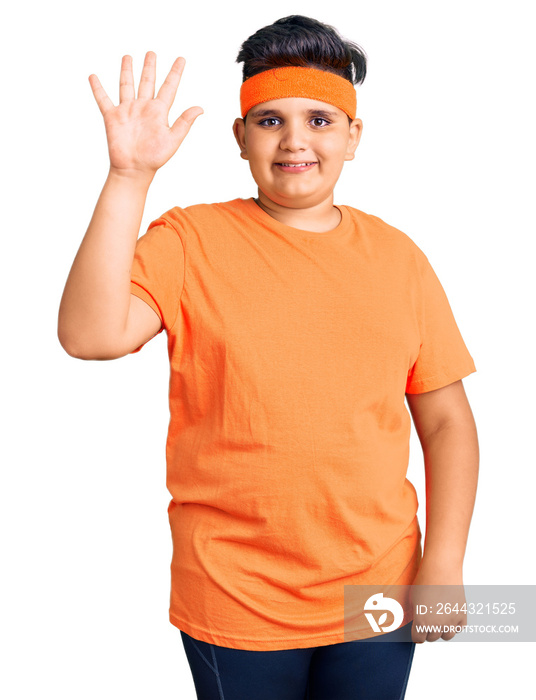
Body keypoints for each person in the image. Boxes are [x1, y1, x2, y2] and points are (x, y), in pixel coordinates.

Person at [58, 15, 479, 700]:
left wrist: (446, 562)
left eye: (319, 120)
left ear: (353, 137)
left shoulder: (400, 260)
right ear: (239, 136)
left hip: (376, 585)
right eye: (268, 120)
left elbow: (446, 422)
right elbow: (90, 335)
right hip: (236, 591)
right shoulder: (191, 240)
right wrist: (129, 178)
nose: (294, 141)